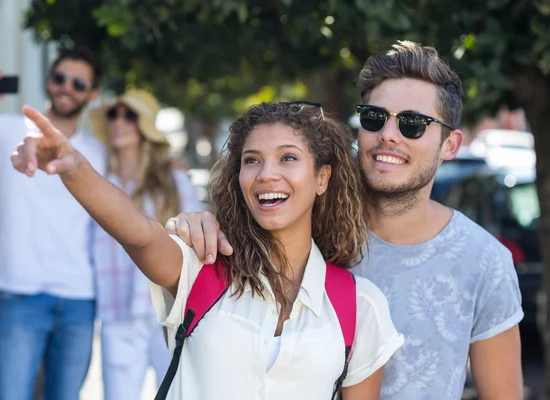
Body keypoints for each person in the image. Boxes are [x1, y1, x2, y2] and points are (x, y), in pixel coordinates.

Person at [163, 41, 524, 399]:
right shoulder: (299, 224)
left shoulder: (485, 261)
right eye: (374, 118)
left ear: (451, 144)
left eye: (413, 124)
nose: (387, 134)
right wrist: (198, 224)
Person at [10, 101, 405, 399]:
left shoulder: (360, 307)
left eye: (288, 157)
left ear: (322, 177)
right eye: (252, 160)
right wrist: (72, 165)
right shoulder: (202, 268)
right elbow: (138, 234)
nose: (267, 173)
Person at [0, 47, 106, 400]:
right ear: (48, 80)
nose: (66, 87)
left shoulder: (98, 152)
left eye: (78, 83)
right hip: (20, 293)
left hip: (80, 299)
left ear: (92, 93)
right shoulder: (8, 128)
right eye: (59, 78)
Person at [86, 89, 204, 399]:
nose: (119, 122)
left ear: (145, 128)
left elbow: (195, 243)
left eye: (130, 115)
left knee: (178, 394)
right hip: (118, 311)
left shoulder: (175, 183)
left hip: (170, 312)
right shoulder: (99, 181)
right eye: (113, 114)